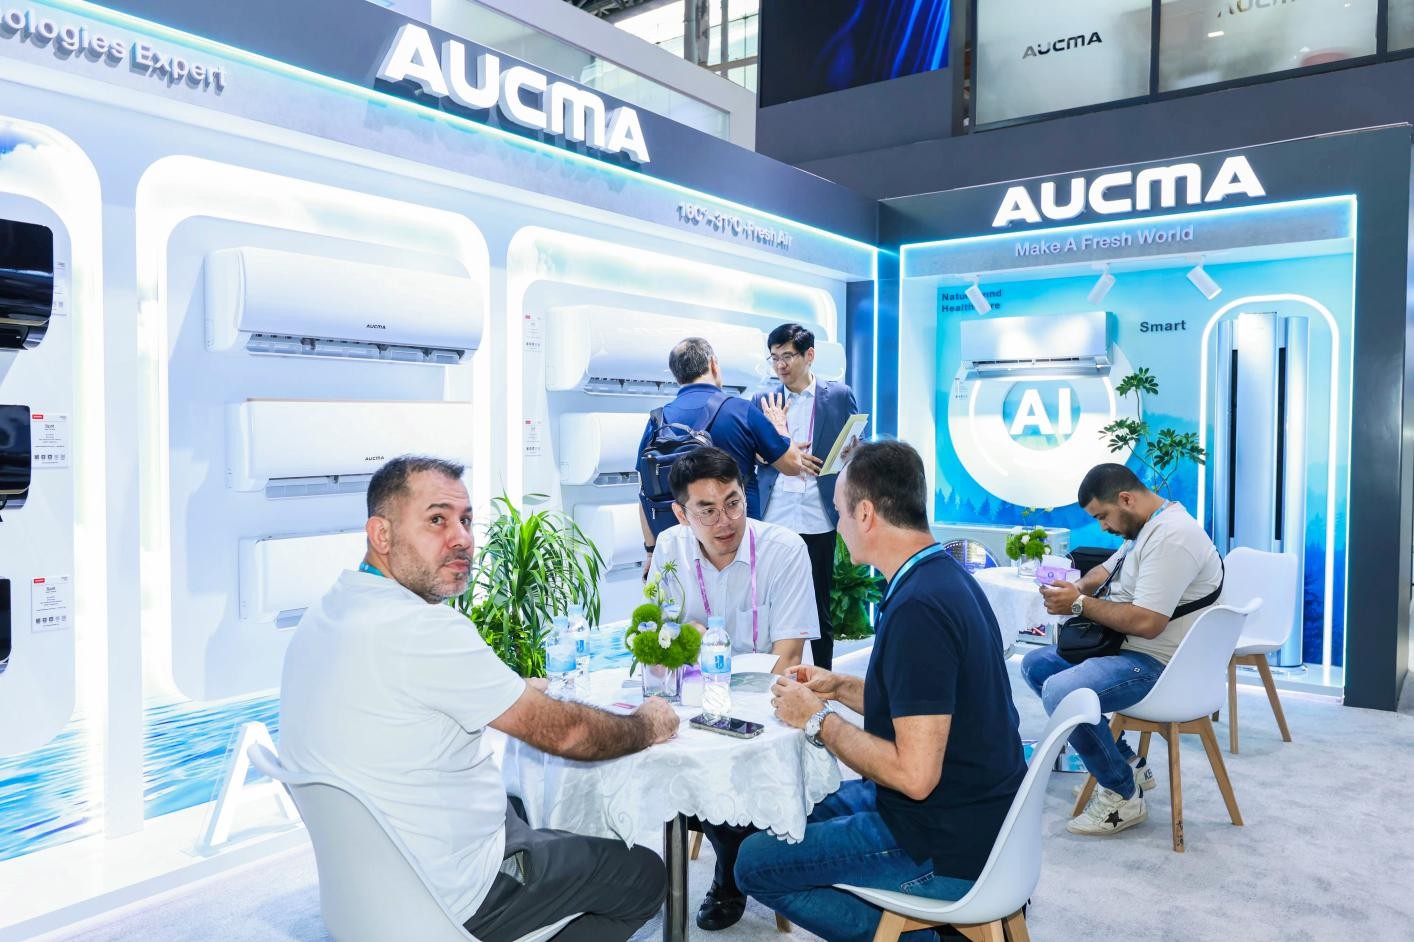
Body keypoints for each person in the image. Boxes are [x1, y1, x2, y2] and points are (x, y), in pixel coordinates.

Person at [279, 455, 679, 942]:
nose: (462, 538)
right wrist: (647, 723)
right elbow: (570, 735)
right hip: (461, 894)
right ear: (381, 534)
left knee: (521, 805)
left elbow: (402, 694)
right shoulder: (424, 629)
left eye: (466, 520)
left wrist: (510, 690)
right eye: (437, 520)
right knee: (643, 875)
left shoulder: (328, 611)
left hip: (371, 891)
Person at [735, 441, 1025, 942]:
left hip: (944, 840)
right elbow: (926, 706)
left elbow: (914, 776)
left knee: (755, 863)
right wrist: (838, 687)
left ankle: (922, 935)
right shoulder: (944, 577)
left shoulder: (919, 610)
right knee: (789, 810)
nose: (837, 527)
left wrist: (817, 719)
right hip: (977, 813)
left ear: (866, 513)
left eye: (840, 512)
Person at [647, 446, 820, 931]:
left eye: (733, 502)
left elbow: (789, 658)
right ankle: (728, 846)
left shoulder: (784, 549)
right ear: (681, 513)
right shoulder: (670, 549)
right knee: (656, 746)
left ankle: (729, 871)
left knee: (721, 755)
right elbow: (661, 640)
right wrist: (688, 640)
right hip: (697, 700)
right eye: (706, 510)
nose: (725, 521)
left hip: (766, 704)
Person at [1023, 462, 1223, 836]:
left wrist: (1078, 605)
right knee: (1036, 665)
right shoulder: (1148, 526)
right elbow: (1105, 570)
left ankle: (1122, 793)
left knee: (1061, 691)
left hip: (1163, 667)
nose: (1103, 527)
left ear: (1126, 499)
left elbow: (1148, 622)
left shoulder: (1172, 537)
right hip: (1130, 650)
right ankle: (1126, 762)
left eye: (1103, 516)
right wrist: (1076, 589)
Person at [638, 336, 817, 572]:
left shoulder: (658, 420)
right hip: (736, 546)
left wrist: (651, 551)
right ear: (713, 364)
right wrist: (780, 427)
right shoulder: (741, 410)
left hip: (678, 551)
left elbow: (644, 492)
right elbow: (792, 465)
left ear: (676, 375)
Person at [756, 322, 860, 670]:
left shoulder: (839, 395)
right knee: (769, 603)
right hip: (774, 514)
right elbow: (752, 453)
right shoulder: (763, 399)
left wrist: (850, 453)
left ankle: (823, 681)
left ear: (809, 355)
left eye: (787, 356)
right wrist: (779, 454)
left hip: (818, 514)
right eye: (774, 358)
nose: (780, 365)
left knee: (818, 607)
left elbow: (856, 444)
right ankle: (770, 677)